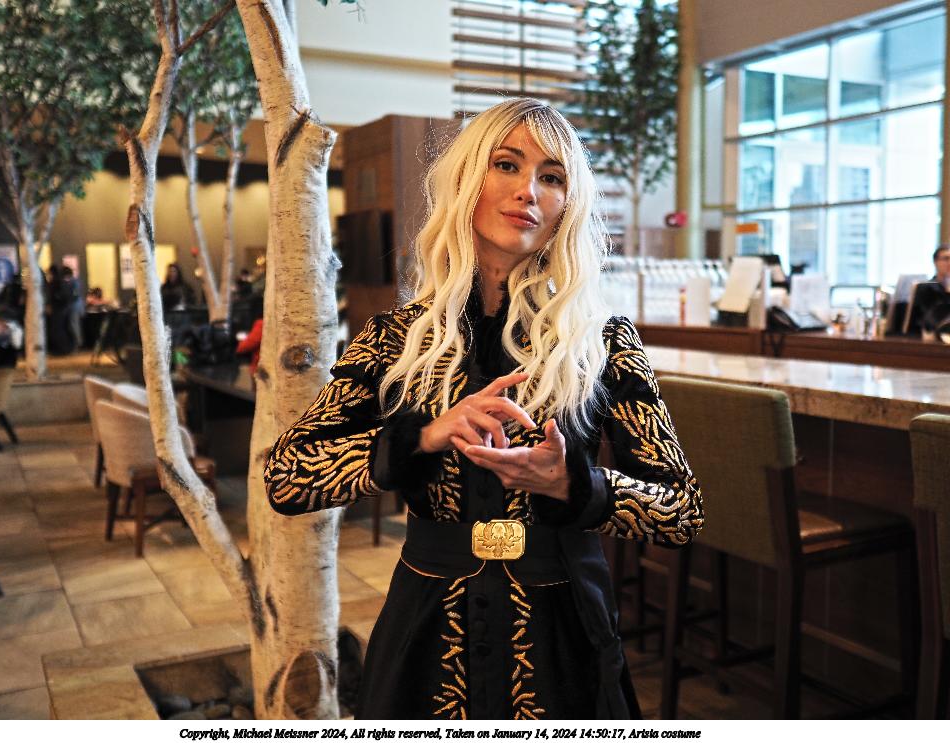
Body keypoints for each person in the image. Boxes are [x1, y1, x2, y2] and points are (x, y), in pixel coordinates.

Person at [264, 99, 704, 720]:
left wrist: (575, 484)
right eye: (507, 164)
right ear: (468, 179)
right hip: (428, 631)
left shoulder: (602, 342)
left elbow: (681, 511)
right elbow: (287, 478)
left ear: (568, 206)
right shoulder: (395, 339)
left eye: (552, 176)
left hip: (561, 635)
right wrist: (420, 438)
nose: (529, 190)